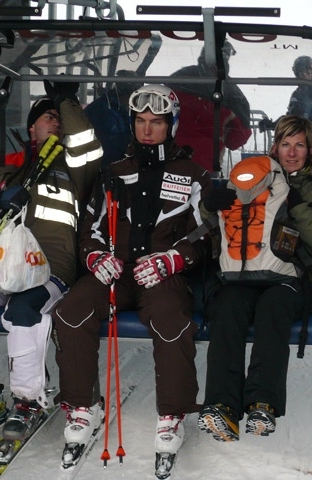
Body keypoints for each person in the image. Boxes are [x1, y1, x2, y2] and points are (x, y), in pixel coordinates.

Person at [52, 84, 212, 457]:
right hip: (116, 272)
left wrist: (173, 259)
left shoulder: (193, 175)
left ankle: (172, 414)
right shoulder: (114, 173)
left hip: (162, 274)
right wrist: (95, 257)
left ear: (171, 125)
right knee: (72, 311)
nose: (147, 129)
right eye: (140, 121)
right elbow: (89, 229)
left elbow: (206, 234)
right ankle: (83, 406)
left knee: (170, 319)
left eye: (157, 122)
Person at [0, 87, 102, 440]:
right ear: (31, 127)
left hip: (49, 265)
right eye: (49, 117)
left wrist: (66, 101)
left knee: (24, 312)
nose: (57, 123)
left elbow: (86, 144)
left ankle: (28, 400)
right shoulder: (2, 164)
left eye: (61, 119)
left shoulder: (75, 166)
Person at [197, 115, 312, 442]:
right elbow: (221, 226)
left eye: (299, 145)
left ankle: (263, 403)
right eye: (285, 144)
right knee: (227, 305)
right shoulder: (250, 182)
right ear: (274, 148)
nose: (291, 153)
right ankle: (222, 405)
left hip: (292, 281)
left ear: (310, 151)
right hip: (244, 277)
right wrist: (209, 207)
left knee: (273, 306)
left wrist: (299, 209)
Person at [167, 41, 251, 174]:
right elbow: (237, 139)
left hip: (169, 162)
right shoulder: (231, 92)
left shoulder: (178, 79)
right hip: (206, 168)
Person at [84, 70, 143, 167]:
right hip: (105, 166)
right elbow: (111, 146)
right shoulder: (103, 110)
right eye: (135, 96)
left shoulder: (120, 109)